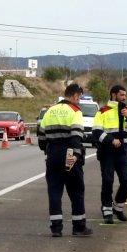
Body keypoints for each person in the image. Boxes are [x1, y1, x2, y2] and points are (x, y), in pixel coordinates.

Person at [39, 83, 92, 237]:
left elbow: (41, 135)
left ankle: (56, 228)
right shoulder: (75, 111)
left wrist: (47, 150)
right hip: (69, 153)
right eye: (79, 97)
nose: (79, 101)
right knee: (76, 190)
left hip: (53, 154)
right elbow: (76, 135)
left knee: (54, 191)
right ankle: (79, 227)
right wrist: (75, 154)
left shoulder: (51, 110)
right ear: (75, 95)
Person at [91, 84, 127, 223]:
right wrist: (111, 140)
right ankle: (107, 211)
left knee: (126, 182)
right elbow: (96, 132)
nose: (124, 97)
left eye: (125, 95)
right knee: (108, 182)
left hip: (122, 153)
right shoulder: (102, 112)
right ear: (113, 95)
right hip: (107, 153)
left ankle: (118, 208)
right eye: (121, 95)